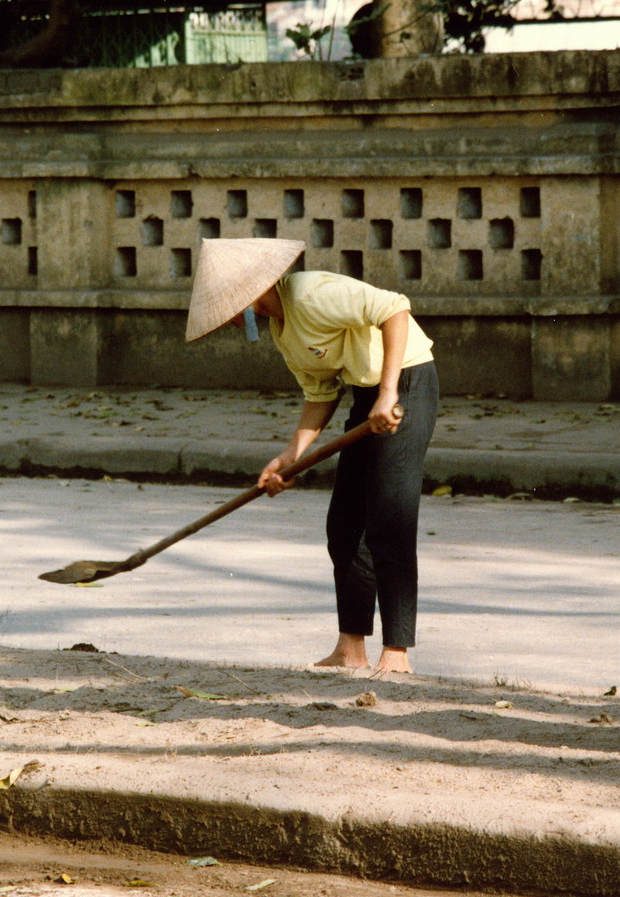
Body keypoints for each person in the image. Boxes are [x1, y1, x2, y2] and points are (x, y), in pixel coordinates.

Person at [185, 237, 438, 674]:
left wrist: (389, 391)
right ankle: (350, 648)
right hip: (367, 396)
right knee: (344, 527)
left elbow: (395, 308)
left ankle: (397, 651)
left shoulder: (309, 293)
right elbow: (320, 393)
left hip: (407, 386)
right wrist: (291, 456)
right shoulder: (283, 330)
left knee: (388, 518)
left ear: (252, 292)